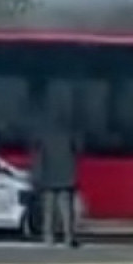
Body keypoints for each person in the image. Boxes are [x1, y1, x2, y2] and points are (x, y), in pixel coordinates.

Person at [30, 105, 81, 248]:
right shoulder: (70, 134)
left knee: (49, 211)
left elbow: (39, 156)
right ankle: (68, 237)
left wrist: (36, 176)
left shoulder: (45, 135)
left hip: (48, 178)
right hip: (66, 178)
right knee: (66, 211)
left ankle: (49, 237)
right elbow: (78, 149)